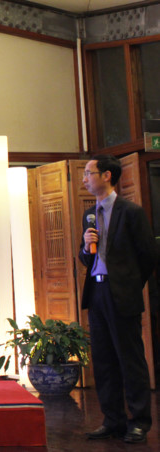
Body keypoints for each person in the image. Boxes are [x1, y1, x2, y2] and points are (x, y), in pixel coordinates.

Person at [79, 155, 157, 444]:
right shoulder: (89, 214)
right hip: (97, 292)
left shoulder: (131, 212)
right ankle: (112, 420)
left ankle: (139, 422)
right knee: (103, 360)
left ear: (107, 176)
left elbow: (148, 255)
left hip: (122, 293)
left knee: (130, 359)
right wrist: (86, 247)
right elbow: (85, 258)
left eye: (89, 173)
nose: (85, 179)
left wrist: (130, 284)